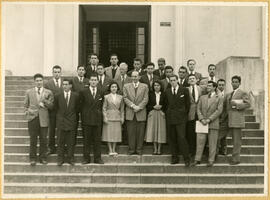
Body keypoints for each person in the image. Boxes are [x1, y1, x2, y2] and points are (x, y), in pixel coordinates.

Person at [24, 73, 54, 166]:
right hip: (33, 119)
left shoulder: (48, 92)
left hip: (44, 118)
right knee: (33, 139)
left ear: (43, 81)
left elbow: (52, 106)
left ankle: (43, 158)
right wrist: (29, 112)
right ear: (34, 82)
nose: (39, 82)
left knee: (43, 140)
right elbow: (25, 106)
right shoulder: (29, 92)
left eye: (40, 80)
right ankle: (32, 158)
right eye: (37, 81)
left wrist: (45, 101)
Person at [191, 81, 223, 167]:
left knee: (212, 143)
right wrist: (201, 119)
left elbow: (219, 110)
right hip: (202, 123)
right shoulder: (202, 97)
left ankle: (211, 160)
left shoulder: (219, 97)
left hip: (213, 123)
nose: (207, 87)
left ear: (214, 87)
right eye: (207, 85)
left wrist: (209, 119)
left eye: (209, 86)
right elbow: (198, 109)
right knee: (200, 142)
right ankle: (197, 159)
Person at [165, 75, 190, 166]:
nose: (173, 82)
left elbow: (188, 105)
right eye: (171, 80)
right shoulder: (167, 91)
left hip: (181, 119)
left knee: (182, 137)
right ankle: (174, 157)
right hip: (170, 118)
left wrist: (183, 114)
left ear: (177, 80)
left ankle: (186, 158)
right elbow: (165, 104)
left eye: (174, 80)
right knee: (172, 138)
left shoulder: (184, 90)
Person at [225, 76, 250, 165]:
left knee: (237, 141)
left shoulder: (243, 93)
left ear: (239, 83)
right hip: (230, 120)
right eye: (233, 82)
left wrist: (236, 105)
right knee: (232, 139)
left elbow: (248, 104)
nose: (234, 83)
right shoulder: (230, 93)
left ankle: (236, 159)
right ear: (231, 83)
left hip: (237, 120)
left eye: (236, 82)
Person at [54, 79, 80, 166]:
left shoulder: (75, 96)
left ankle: (70, 158)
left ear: (70, 86)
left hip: (71, 121)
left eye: (66, 84)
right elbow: (56, 108)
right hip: (61, 121)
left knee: (71, 141)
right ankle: (60, 158)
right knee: (60, 141)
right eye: (63, 84)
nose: (64, 86)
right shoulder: (58, 96)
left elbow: (77, 109)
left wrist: (72, 118)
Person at [80, 74, 104, 164]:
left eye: (95, 80)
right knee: (87, 140)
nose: (93, 82)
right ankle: (86, 158)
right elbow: (80, 105)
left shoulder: (101, 91)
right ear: (89, 81)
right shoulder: (83, 92)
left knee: (97, 140)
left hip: (97, 119)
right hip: (87, 119)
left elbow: (102, 105)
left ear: (97, 82)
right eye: (92, 80)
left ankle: (98, 158)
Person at [123, 71, 149, 155]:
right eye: (133, 76)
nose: (134, 78)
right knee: (131, 132)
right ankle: (131, 149)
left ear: (139, 77)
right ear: (131, 77)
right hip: (130, 111)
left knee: (140, 132)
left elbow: (145, 99)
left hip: (141, 112)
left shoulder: (144, 86)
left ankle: (139, 149)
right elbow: (125, 98)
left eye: (136, 76)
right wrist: (133, 106)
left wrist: (139, 107)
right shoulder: (126, 86)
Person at [44, 65, 63, 155]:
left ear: (60, 73)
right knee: (51, 130)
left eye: (58, 72)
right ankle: (51, 148)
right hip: (51, 111)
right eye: (55, 72)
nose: (57, 74)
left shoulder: (64, 82)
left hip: (62, 110)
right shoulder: (48, 84)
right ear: (52, 73)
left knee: (61, 130)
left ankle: (60, 147)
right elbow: (46, 97)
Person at [102, 82, 125, 156]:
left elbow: (122, 109)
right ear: (110, 88)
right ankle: (110, 149)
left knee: (115, 134)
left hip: (117, 117)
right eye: (112, 87)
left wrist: (122, 117)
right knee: (108, 134)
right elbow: (104, 108)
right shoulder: (106, 97)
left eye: (115, 87)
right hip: (109, 116)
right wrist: (105, 117)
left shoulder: (120, 97)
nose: (114, 88)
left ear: (117, 88)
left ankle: (114, 149)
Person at [145, 80, 167, 155]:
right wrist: (153, 107)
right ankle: (155, 148)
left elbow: (167, 104)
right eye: (155, 85)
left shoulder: (164, 94)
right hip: (153, 113)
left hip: (161, 114)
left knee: (160, 131)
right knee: (154, 130)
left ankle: (159, 149)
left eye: (158, 85)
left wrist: (162, 108)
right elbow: (147, 104)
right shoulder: (150, 94)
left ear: (161, 86)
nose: (156, 87)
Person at [186, 74, 204, 159]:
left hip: (200, 114)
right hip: (190, 114)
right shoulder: (186, 90)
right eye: (190, 79)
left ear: (197, 80)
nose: (192, 80)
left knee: (199, 133)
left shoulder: (201, 89)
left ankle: (199, 152)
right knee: (191, 133)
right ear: (188, 81)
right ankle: (191, 151)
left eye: (193, 78)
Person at [216, 79, 228, 155]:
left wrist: (223, 118)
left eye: (222, 85)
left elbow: (227, 108)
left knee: (223, 135)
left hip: (224, 118)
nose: (221, 86)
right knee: (216, 135)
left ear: (224, 85)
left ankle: (223, 150)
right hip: (216, 118)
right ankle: (216, 150)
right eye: (219, 85)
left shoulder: (227, 95)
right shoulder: (215, 94)